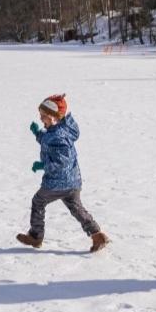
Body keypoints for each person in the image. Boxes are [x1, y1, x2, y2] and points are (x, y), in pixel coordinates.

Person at [16, 94, 110, 253]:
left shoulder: (58, 136)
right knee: (77, 209)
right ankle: (97, 235)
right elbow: (48, 140)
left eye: (44, 116)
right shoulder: (60, 130)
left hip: (57, 182)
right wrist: (38, 133)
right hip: (72, 182)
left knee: (38, 201)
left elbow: (61, 162)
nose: (41, 118)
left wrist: (43, 164)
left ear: (53, 117)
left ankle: (35, 236)